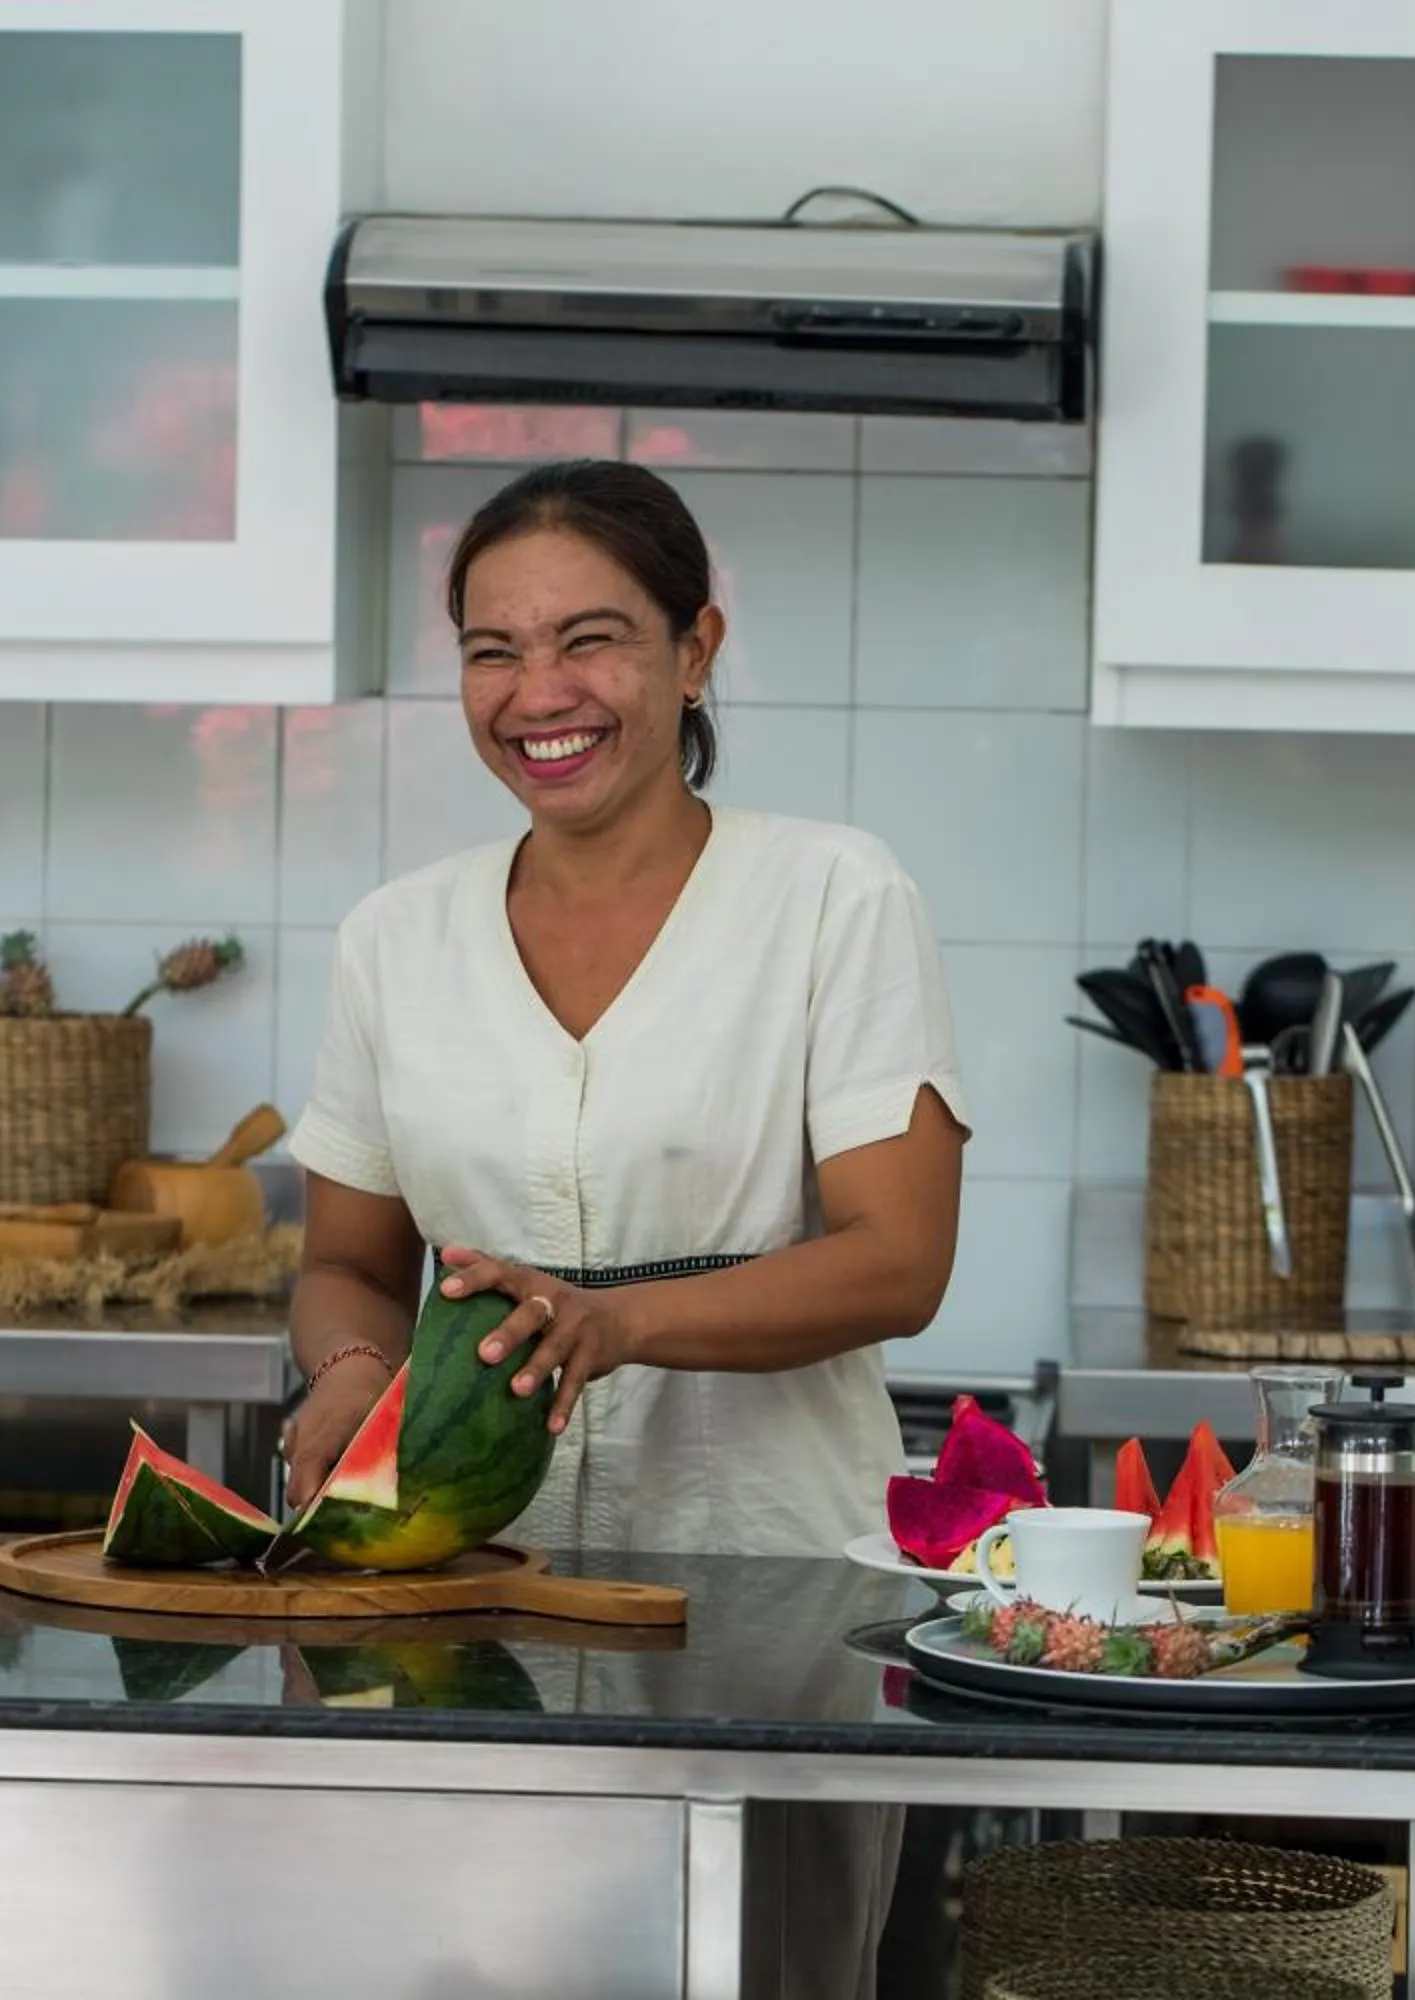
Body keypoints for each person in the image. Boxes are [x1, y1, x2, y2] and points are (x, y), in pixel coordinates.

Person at [280, 456, 969, 1999]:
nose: (541, 692)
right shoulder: (394, 940)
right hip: (458, 1602)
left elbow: (901, 1258)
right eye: (494, 649)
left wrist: (620, 1321)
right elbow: (347, 1261)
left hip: (771, 1603)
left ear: (695, 649)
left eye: (590, 638)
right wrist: (351, 1373)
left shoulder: (835, 898)